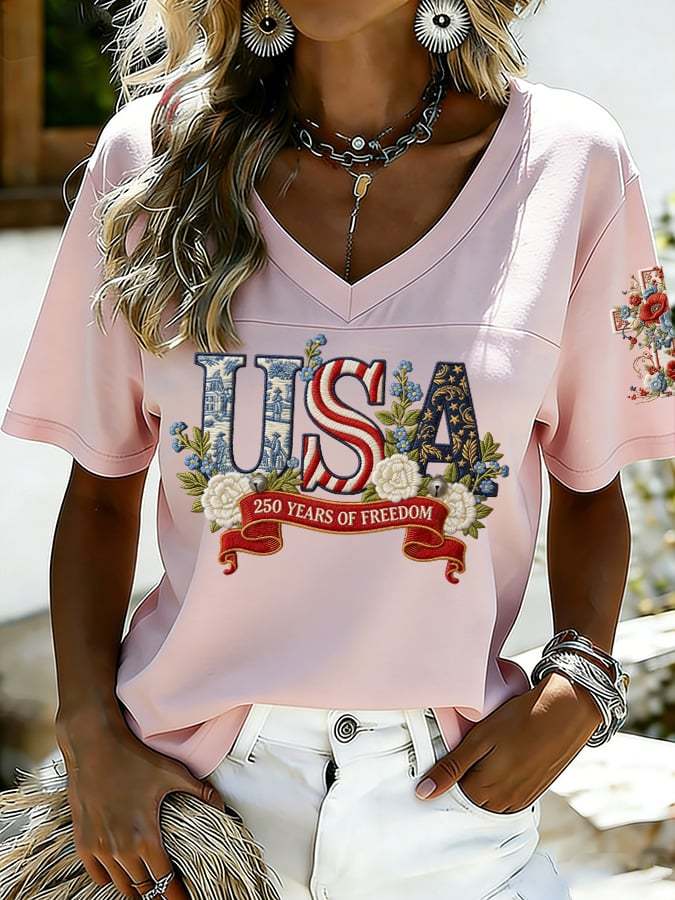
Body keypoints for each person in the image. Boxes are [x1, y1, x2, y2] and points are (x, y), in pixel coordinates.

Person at [2, 0, 674, 898]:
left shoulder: (570, 161)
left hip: (449, 799)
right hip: (191, 800)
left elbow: (591, 479)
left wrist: (579, 688)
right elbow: (98, 492)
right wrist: (88, 734)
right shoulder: (149, 157)